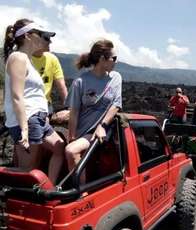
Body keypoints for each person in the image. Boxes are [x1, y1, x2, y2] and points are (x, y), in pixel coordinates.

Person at [3, 19, 65, 184]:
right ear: (28, 36)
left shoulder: (26, 59)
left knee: (59, 147)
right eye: (42, 34)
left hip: (37, 118)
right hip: (28, 119)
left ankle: (48, 188)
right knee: (27, 169)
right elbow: (17, 96)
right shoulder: (18, 57)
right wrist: (24, 128)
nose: (46, 39)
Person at [65, 39, 122, 172]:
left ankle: (81, 192)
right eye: (114, 58)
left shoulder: (116, 78)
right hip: (82, 133)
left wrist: (102, 126)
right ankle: (81, 190)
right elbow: (74, 112)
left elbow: (116, 105)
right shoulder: (80, 82)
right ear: (102, 59)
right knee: (72, 151)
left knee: (70, 151)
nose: (116, 61)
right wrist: (72, 138)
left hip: (100, 132)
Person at [32, 36, 68, 115]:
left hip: (46, 106)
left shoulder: (52, 58)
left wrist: (69, 108)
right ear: (35, 39)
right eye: (47, 39)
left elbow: (61, 86)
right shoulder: (23, 59)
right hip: (28, 107)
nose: (50, 42)